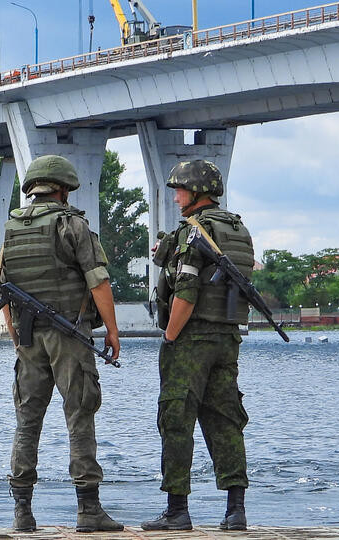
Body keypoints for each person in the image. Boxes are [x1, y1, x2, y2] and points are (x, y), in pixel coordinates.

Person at [0, 154, 123, 533]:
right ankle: (89, 510)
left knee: (27, 421)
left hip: (29, 337)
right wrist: (112, 331)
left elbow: (2, 290)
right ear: (63, 190)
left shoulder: (12, 228)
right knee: (80, 415)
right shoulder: (72, 224)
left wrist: (17, 339)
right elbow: (98, 281)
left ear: (33, 189)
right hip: (69, 335)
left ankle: (22, 513)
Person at [141, 159, 254, 532]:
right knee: (226, 420)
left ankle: (177, 511)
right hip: (227, 336)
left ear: (196, 192)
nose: (176, 198)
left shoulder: (194, 232)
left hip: (192, 338)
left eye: (179, 190)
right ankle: (236, 511)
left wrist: (170, 336)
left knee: (176, 419)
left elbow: (186, 293)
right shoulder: (236, 229)